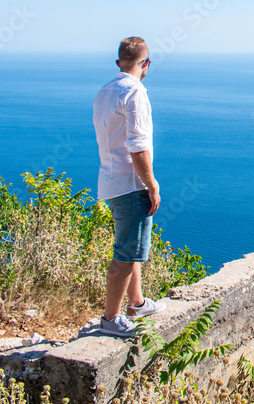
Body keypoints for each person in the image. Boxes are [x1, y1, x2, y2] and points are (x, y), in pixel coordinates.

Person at [92, 37, 166, 337]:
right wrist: (151, 184)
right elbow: (138, 146)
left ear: (119, 62)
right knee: (125, 253)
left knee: (132, 246)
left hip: (110, 178)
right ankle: (111, 319)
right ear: (146, 63)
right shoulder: (135, 93)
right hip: (130, 182)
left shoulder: (104, 91)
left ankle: (136, 303)